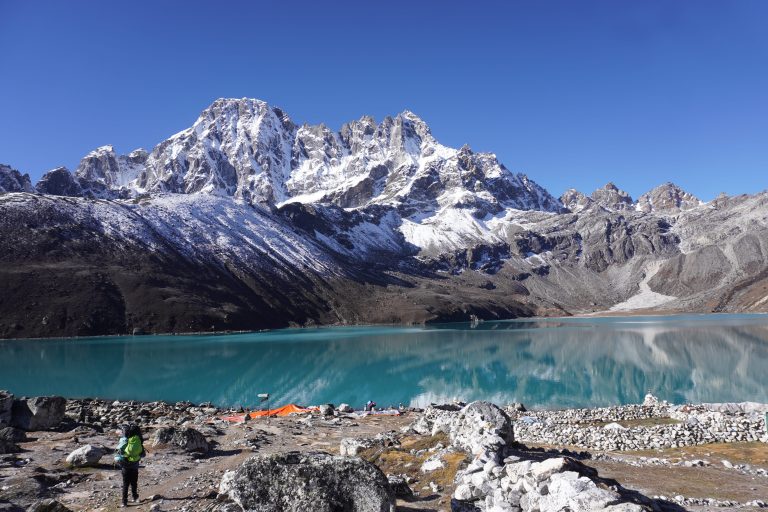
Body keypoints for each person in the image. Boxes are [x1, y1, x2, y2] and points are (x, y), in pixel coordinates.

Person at [114, 423, 146, 507]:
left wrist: (119, 458)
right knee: (134, 482)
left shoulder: (124, 440)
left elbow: (118, 452)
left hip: (125, 465)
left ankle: (124, 502)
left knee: (125, 484)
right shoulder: (138, 439)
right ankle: (135, 497)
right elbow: (143, 454)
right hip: (135, 465)